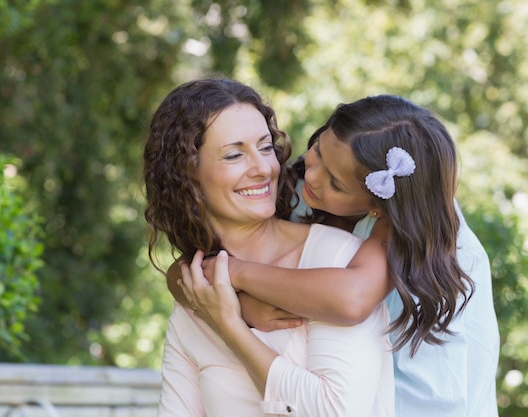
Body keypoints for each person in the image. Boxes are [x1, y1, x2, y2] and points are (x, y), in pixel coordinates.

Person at [173, 94, 500, 417]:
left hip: (421, 401)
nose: (311, 176)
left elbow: (351, 299)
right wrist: (238, 304)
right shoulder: (308, 188)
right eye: (317, 151)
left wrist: (236, 276)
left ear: (378, 204)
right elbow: (185, 271)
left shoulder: (411, 220)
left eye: (336, 183)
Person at [144, 78, 394, 417]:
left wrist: (229, 326)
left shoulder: (336, 260)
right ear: (186, 175)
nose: (263, 168)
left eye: (265, 147)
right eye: (234, 155)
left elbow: (338, 411)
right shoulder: (196, 292)